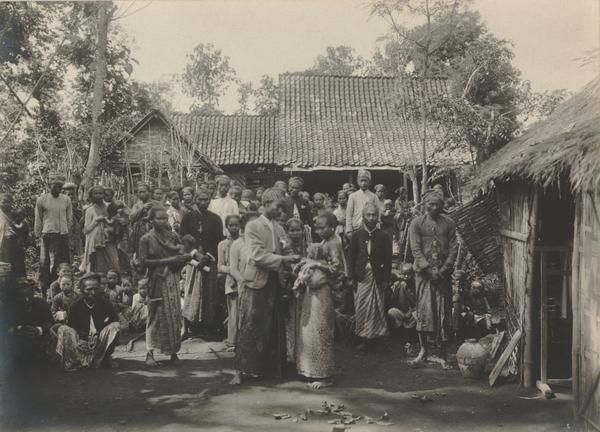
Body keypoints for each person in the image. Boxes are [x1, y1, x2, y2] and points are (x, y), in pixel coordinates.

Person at [231, 188, 300, 385]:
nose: (280, 211)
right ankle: (240, 370)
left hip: (275, 281)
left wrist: (297, 263)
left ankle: (269, 369)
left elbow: (287, 249)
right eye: (278, 207)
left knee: (274, 326)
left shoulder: (279, 228)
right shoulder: (253, 226)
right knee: (250, 325)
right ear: (267, 203)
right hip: (257, 280)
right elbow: (257, 256)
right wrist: (284, 259)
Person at [408, 189, 457, 369]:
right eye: (431, 204)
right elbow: (415, 249)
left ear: (443, 205)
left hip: (443, 275)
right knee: (424, 310)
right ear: (424, 204)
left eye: (438, 204)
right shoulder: (416, 224)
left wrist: (444, 270)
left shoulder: (449, 223)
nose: (434, 208)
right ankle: (423, 351)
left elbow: (453, 248)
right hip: (423, 275)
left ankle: (442, 353)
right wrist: (428, 269)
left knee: (443, 312)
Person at [295, 213, 345, 389]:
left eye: (323, 227)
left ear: (332, 227)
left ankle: (325, 375)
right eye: (317, 227)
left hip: (324, 292)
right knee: (312, 331)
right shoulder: (325, 242)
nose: (319, 230)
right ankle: (311, 369)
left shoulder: (334, 243)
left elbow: (337, 269)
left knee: (321, 331)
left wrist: (316, 264)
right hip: (314, 292)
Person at [139, 206, 191, 366]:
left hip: (172, 279)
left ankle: (173, 352)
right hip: (156, 280)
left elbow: (180, 255)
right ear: (151, 220)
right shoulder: (146, 239)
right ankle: (149, 353)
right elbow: (143, 262)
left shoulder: (173, 237)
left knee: (173, 315)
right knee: (155, 315)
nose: (162, 221)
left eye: (164, 218)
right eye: (158, 218)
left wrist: (181, 260)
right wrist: (167, 261)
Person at [348, 202, 391, 352]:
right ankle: (364, 338)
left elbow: (387, 260)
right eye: (369, 215)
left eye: (374, 215)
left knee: (377, 307)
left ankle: (376, 339)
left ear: (378, 216)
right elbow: (351, 257)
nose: (372, 218)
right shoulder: (356, 235)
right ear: (364, 216)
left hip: (377, 276)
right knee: (362, 307)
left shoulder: (384, 236)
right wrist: (351, 277)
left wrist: (386, 279)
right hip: (361, 276)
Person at [55, 273, 120, 371]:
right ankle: (77, 361)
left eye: (95, 289)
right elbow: (71, 326)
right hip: (82, 343)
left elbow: (113, 321)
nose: (93, 292)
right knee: (63, 329)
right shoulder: (75, 306)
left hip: (99, 341)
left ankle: (104, 358)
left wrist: (99, 336)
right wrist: (81, 339)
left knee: (115, 326)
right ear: (82, 290)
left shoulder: (105, 304)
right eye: (89, 289)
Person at [180, 189, 224, 331]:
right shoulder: (188, 217)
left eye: (206, 200)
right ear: (195, 200)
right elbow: (183, 237)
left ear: (210, 200)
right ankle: (191, 323)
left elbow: (218, 239)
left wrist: (208, 255)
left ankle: (207, 324)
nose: (203, 202)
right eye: (200, 200)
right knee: (192, 291)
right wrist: (195, 254)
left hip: (209, 261)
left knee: (209, 291)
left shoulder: (215, 219)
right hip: (193, 261)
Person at [35, 173, 72, 298]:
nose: (57, 189)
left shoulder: (66, 200)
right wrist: (38, 234)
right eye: (54, 186)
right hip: (48, 235)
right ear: (49, 185)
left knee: (63, 263)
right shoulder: (42, 200)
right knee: (47, 263)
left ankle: (63, 289)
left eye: (59, 187)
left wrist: (67, 232)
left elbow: (69, 218)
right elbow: (38, 219)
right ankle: (46, 290)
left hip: (63, 235)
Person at [3, 278, 54, 364]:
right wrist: (19, 329)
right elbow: (5, 326)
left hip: (40, 337)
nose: (26, 299)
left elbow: (50, 320)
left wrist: (39, 329)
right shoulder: (10, 307)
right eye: (23, 297)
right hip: (19, 338)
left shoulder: (41, 302)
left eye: (29, 295)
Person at [282, 217, 309, 364]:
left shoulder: (306, 246)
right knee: (291, 320)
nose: (295, 233)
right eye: (292, 230)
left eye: (298, 230)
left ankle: (302, 352)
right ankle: (291, 353)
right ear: (287, 232)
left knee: (302, 319)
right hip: (290, 288)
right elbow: (287, 268)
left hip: (303, 287)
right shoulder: (286, 248)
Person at [81, 185, 120, 274]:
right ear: (91, 196)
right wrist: (95, 221)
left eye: (100, 193)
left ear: (104, 195)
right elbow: (86, 230)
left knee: (113, 263)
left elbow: (116, 221)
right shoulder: (89, 210)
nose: (98, 195)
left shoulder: (109, 207)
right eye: (95, 194)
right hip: (95, 242)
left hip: (109, 239)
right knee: (96, 264)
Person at [217, 214, 242, 350]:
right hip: (232, 281)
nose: (234, 227)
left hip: (246, 280)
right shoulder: (222, 245)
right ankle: (232, 341)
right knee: (234, 311)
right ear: (227, 227)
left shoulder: (245, 242)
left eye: (236, 225)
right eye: (231, 225)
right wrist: (232, 270)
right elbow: (220, 266)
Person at [0, 193, 29, 283]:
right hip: (2, 246)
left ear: (12, 203)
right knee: (4, 269)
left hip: (15, 245)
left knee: (17, 268)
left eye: (8, 202)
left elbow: (24, 227)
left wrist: (22, 238)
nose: (5, 204)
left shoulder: (15, 214)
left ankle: (18, 290)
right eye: (3, 202)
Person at [345, 170, 377, 238]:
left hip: (371, 228)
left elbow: (377, 214)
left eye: (365, 181)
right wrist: (349, 230)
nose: (363, 183)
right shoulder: (353, 196)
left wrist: (377, 227)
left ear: (369, 182)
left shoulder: (373, 196)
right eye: (361, 180)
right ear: (358, 182)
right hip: (356, 227)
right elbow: (349, 214)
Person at [129, 182, 155, 257]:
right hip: (139, 231)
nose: (142, 194)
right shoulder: (137, 205)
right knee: (141, 252)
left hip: (153, 230)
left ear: (149, 192)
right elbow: (131, 218)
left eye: (144, 191)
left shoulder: (155, 203)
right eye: (140, 192)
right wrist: (142, 208)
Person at [62, 183, 84, 260]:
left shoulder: (79, 210)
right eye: (68, 194)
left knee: (78, 256)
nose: (71, 197)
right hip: (65, 236)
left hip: (77, 237)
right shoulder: (61, 209)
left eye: (72, 194)